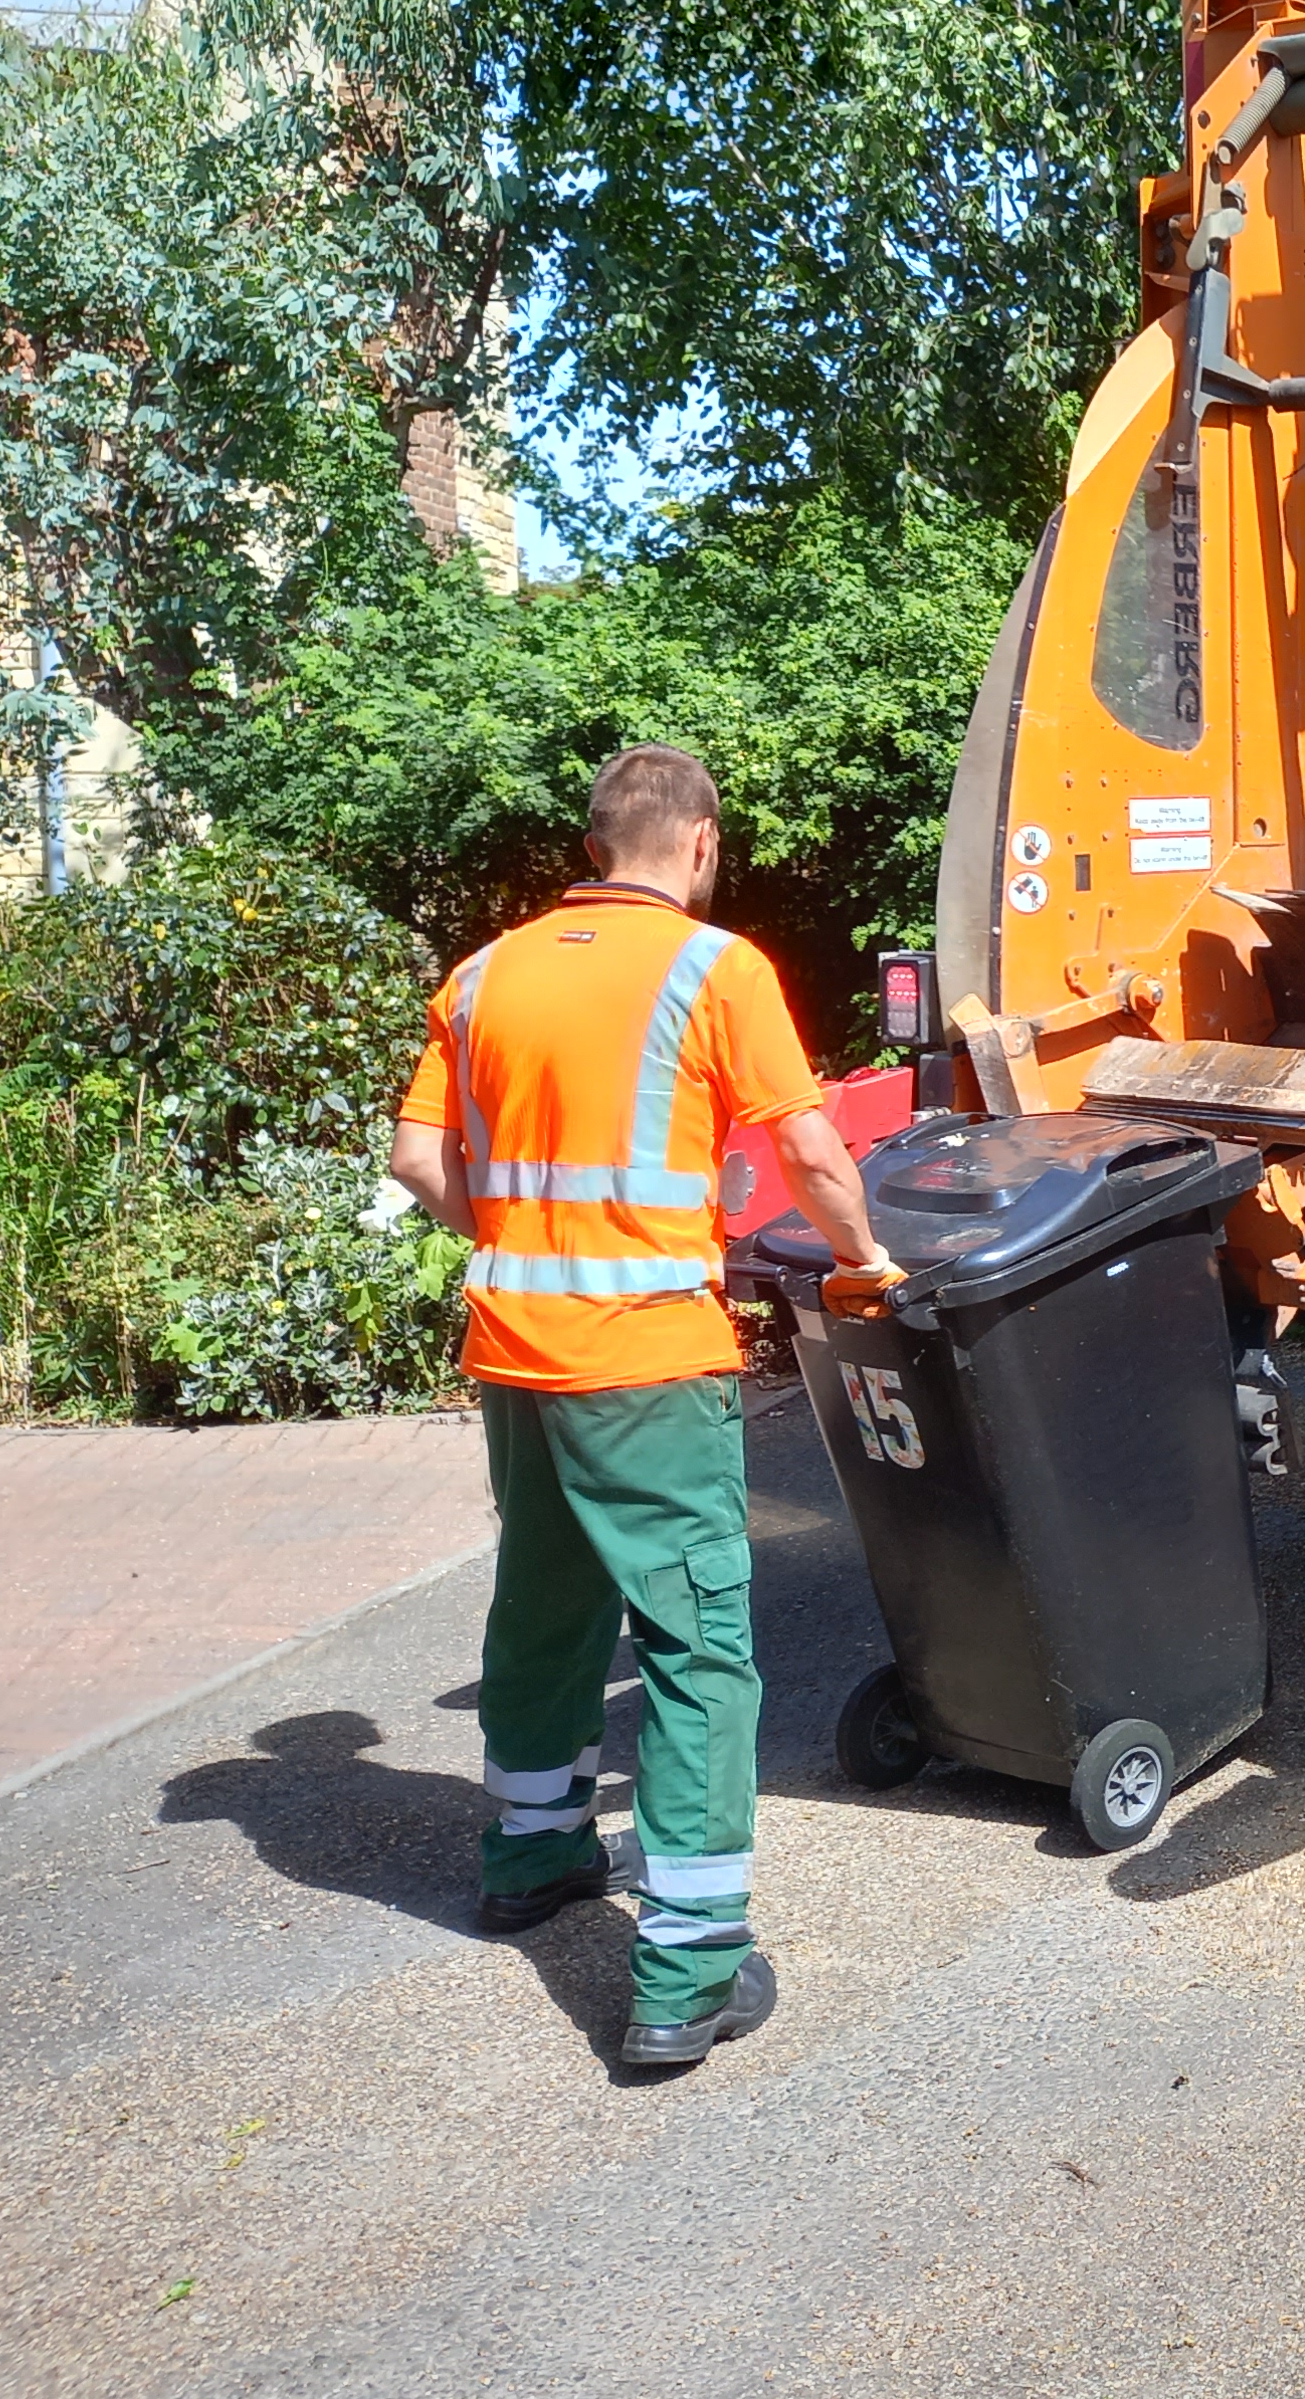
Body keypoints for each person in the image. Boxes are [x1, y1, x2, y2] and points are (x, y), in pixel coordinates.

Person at [390, 745, 899, 2068]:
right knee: (695, 1647)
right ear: (700, 844)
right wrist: (865, 1263)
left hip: (517, 1351)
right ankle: (683, 1971)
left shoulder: (485, 972)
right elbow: (806, 1148)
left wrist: (516, 1236)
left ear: (598, 839)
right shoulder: (713, 970)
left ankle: (532, 1852)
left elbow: (414, 1157)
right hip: (646, 1366)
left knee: (546, 1600)